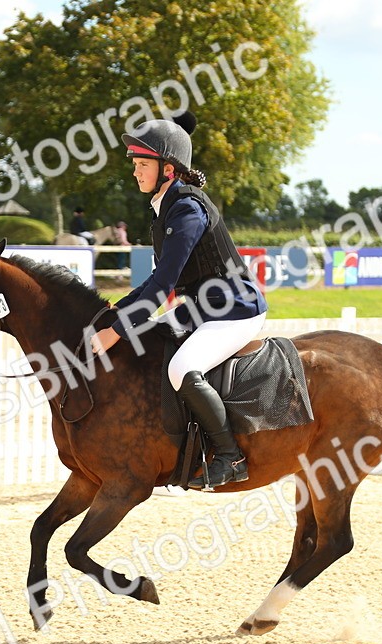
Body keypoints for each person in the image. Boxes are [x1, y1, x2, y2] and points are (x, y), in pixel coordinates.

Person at [90, 111, 267, 489]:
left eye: (142, 165)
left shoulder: (186, 209)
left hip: (235, 311)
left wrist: (116, 332)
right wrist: (116, 311)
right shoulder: (165, 208)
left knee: (180, 369)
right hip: (202, 309)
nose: (135, 172)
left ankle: (229, 456)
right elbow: (156, 281)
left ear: (168, 170)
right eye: (135, 164)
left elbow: (163, 285)